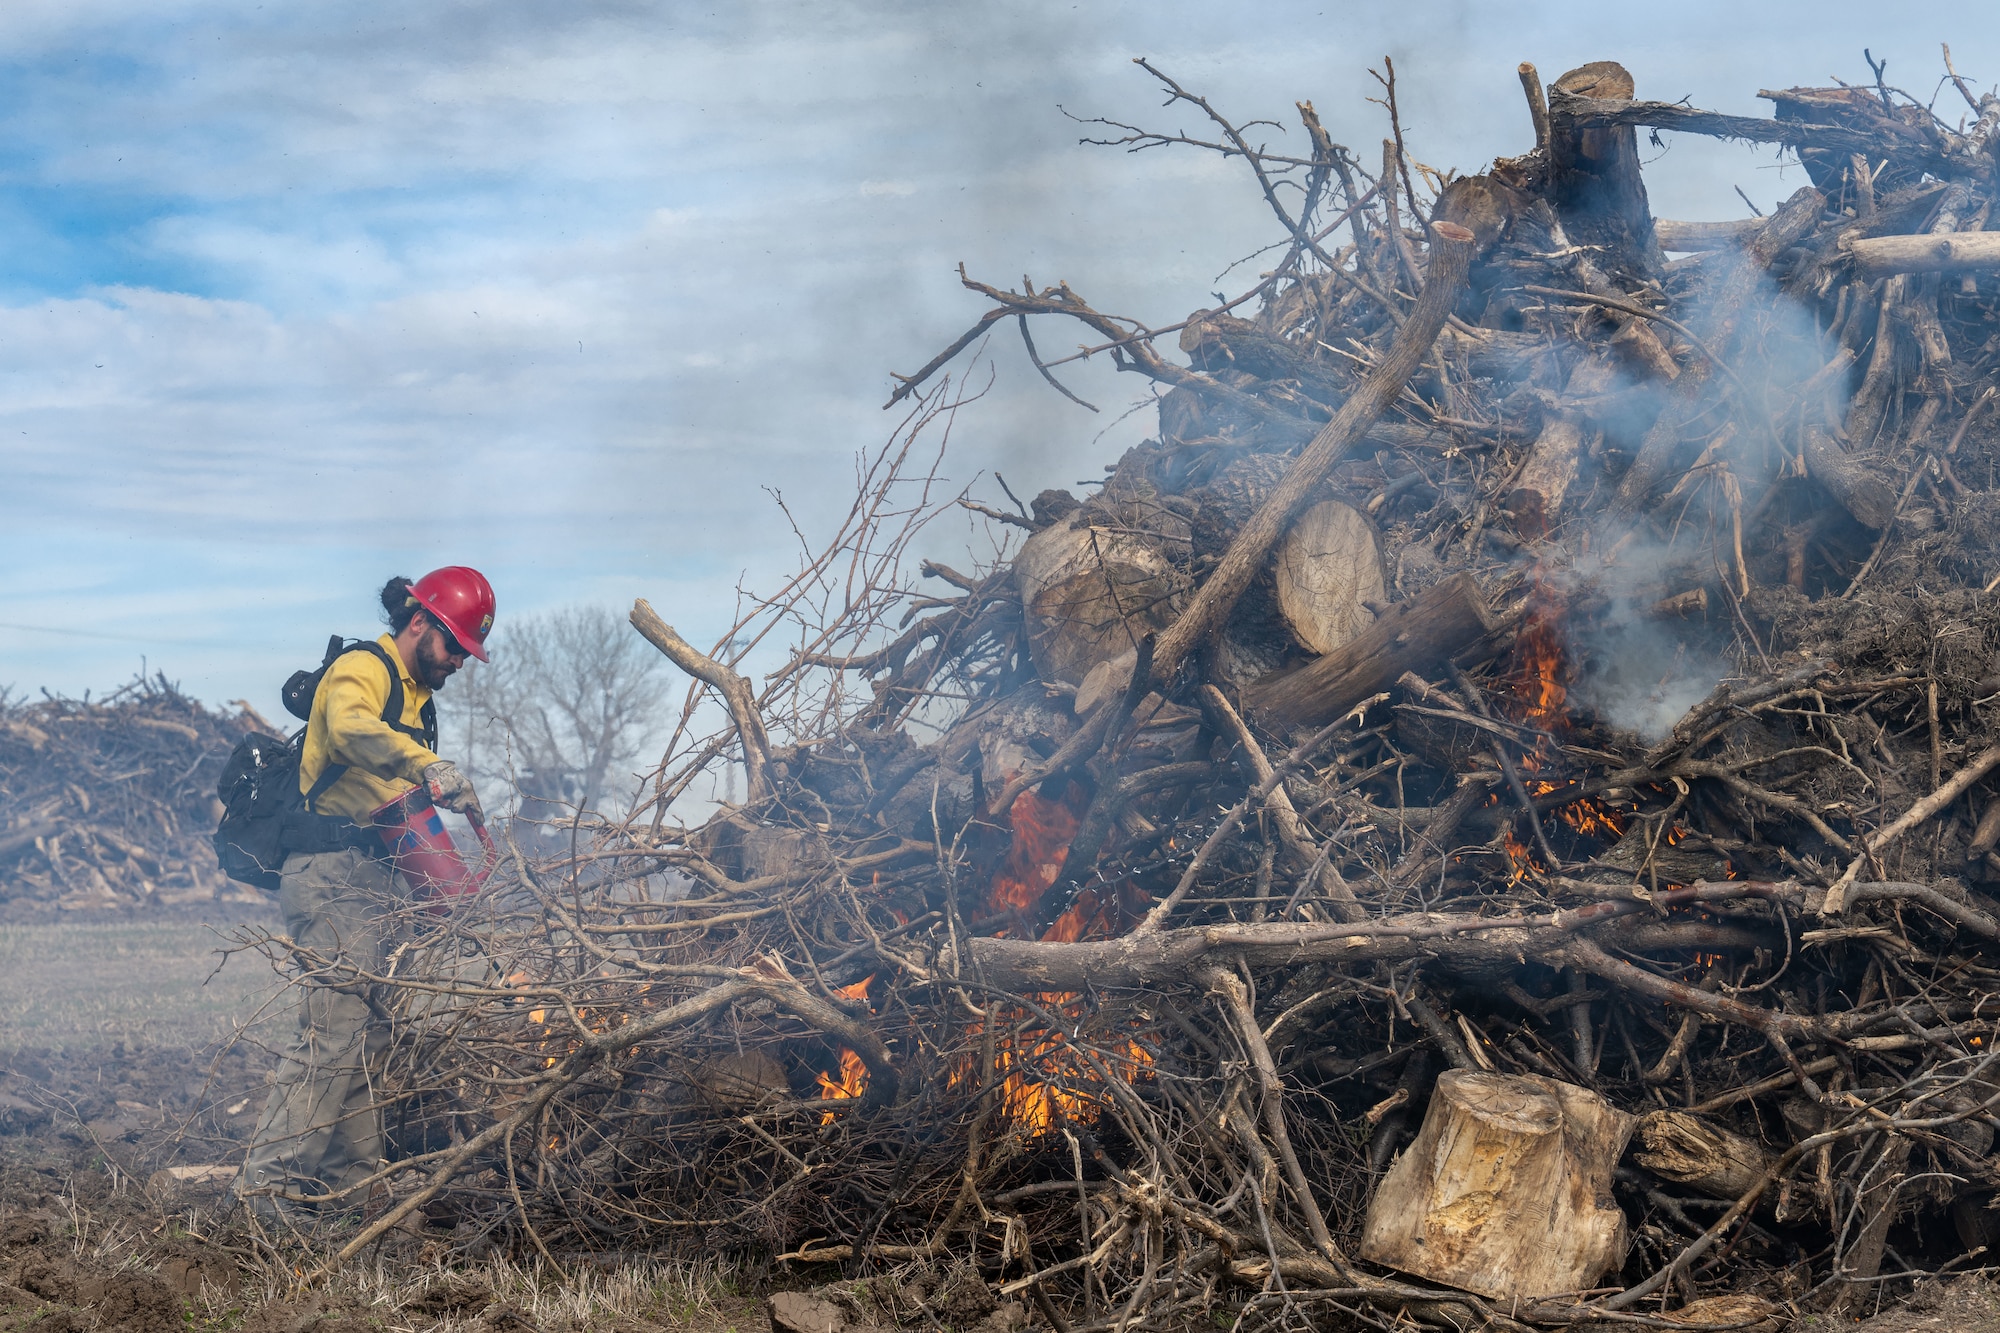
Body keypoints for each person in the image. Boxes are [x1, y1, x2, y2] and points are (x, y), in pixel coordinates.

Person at [236, 566, 495, 1227]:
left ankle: (352, 1201)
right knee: (331, 1035)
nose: (461, 662)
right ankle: (265, 1198)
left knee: (366, 1041)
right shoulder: (364, 669)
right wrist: (425, 763)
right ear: (419, 624)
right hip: (328, 870)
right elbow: (349, 728)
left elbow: (396, 805)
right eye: (455, 647)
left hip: (372, 878)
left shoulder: (415, 696)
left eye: (468, 652)